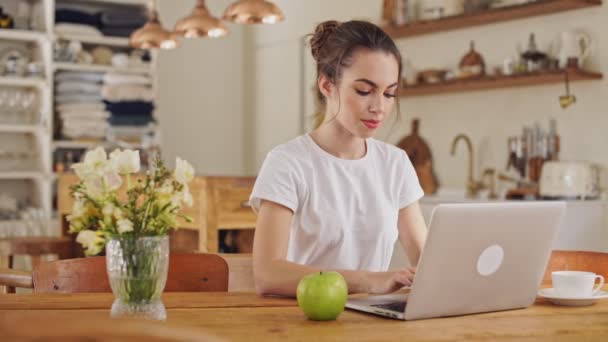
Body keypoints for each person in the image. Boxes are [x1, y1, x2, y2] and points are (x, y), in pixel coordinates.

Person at [249, 20, 427, 297]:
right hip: (304, 321)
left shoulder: (396, 164)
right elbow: (268, 274)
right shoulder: (287, 162)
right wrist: (368, 280)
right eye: (364, 91)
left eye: (389, 93)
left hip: (374, 323)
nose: (379, 107)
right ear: (327, 85)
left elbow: (426, 260)